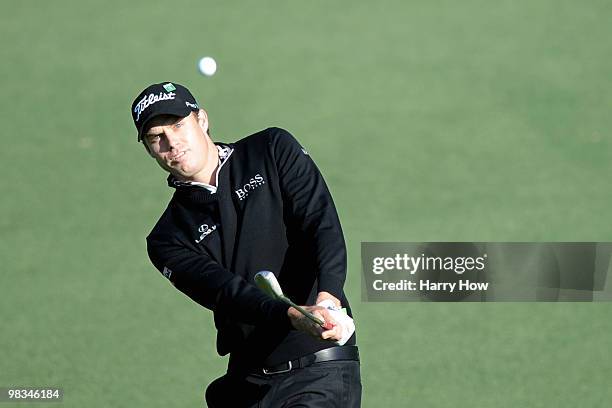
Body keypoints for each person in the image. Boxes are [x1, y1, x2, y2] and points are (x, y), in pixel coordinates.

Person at [130, 81, 361, 407]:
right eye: (157, 137)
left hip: (319, 368)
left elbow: (321, 224)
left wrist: (329, 298)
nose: (172, 142)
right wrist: (290, 314)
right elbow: (227, 293)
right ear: (148, 148)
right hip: (248, 383)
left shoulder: (271, 149)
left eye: (179, 125)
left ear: (203, 120)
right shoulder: (168, 238)